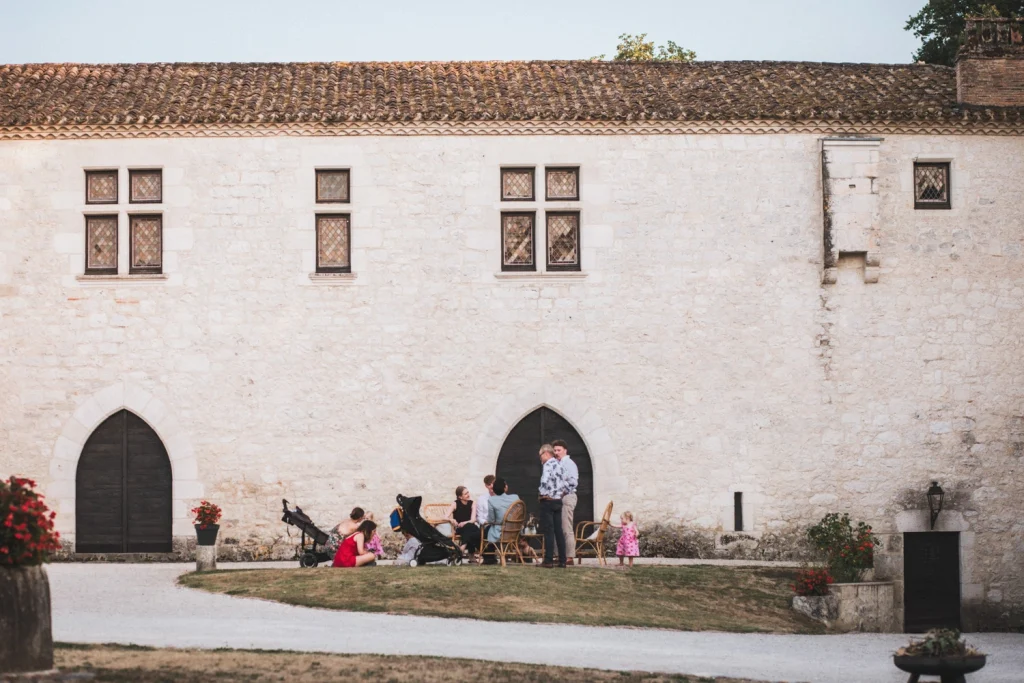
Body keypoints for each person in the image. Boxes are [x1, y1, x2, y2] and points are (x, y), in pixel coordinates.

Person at [537, 443, 569, 568]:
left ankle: (548, 560)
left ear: (545, 453)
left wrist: (541, 493)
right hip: (557, 501)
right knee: (558, 531)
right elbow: (567, 483)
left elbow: (544, 482)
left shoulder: (547, 465)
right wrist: (561, 494)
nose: (540, 459)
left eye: (540, 455)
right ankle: (562, 560)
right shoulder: (560, 465)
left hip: (548, 501)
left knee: (548, 531)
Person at [552, 439, 579, 566]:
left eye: (559, 450)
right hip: (557, 498)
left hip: (567, 496)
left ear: (565, 451)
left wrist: (562, 491)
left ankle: (569, 556)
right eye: (555, 450)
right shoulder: (557, 464)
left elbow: (574, 481)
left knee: (566, 527)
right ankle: (560, 555)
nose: (556, 452)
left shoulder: (568, 463)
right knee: (558, 527)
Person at [447, 485, 482, 562]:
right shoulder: (455, 504)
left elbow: (473, 520)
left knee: (469, 527)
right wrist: (452, 520)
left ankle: (461, 548)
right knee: (473, 529)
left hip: (469, 526)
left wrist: (464, 522)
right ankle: (471, 555)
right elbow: (445, 516)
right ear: (460, 497)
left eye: (468, 492)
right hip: (460, 528)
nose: (468, 494)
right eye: (465, 494)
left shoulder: (472, 503)